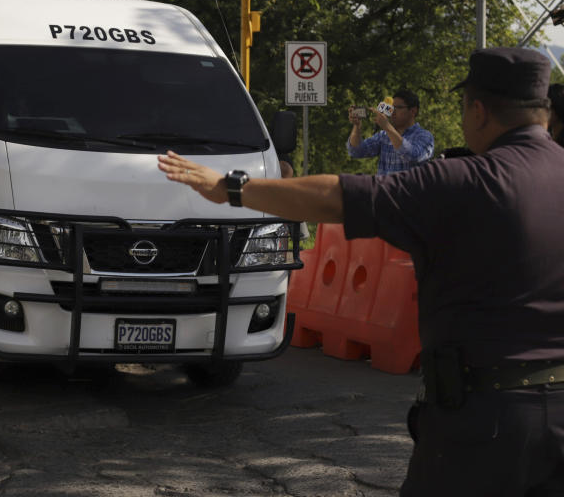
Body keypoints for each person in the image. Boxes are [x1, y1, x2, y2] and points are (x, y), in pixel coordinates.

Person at [158, 47, 564, 495]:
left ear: (479, 110)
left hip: (486, 427)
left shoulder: (468, 182)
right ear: (542, 111)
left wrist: (231, 188)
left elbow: (337, 197)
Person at [347, 89, 434, 174]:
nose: (392, 112)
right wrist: (357, 126)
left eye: (398, 108)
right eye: (391, 108)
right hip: (383, 188)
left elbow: (413, 156)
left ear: (413, 111)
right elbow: (356, 151)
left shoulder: (425, 136)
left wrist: (387, 127)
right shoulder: (383, 135)